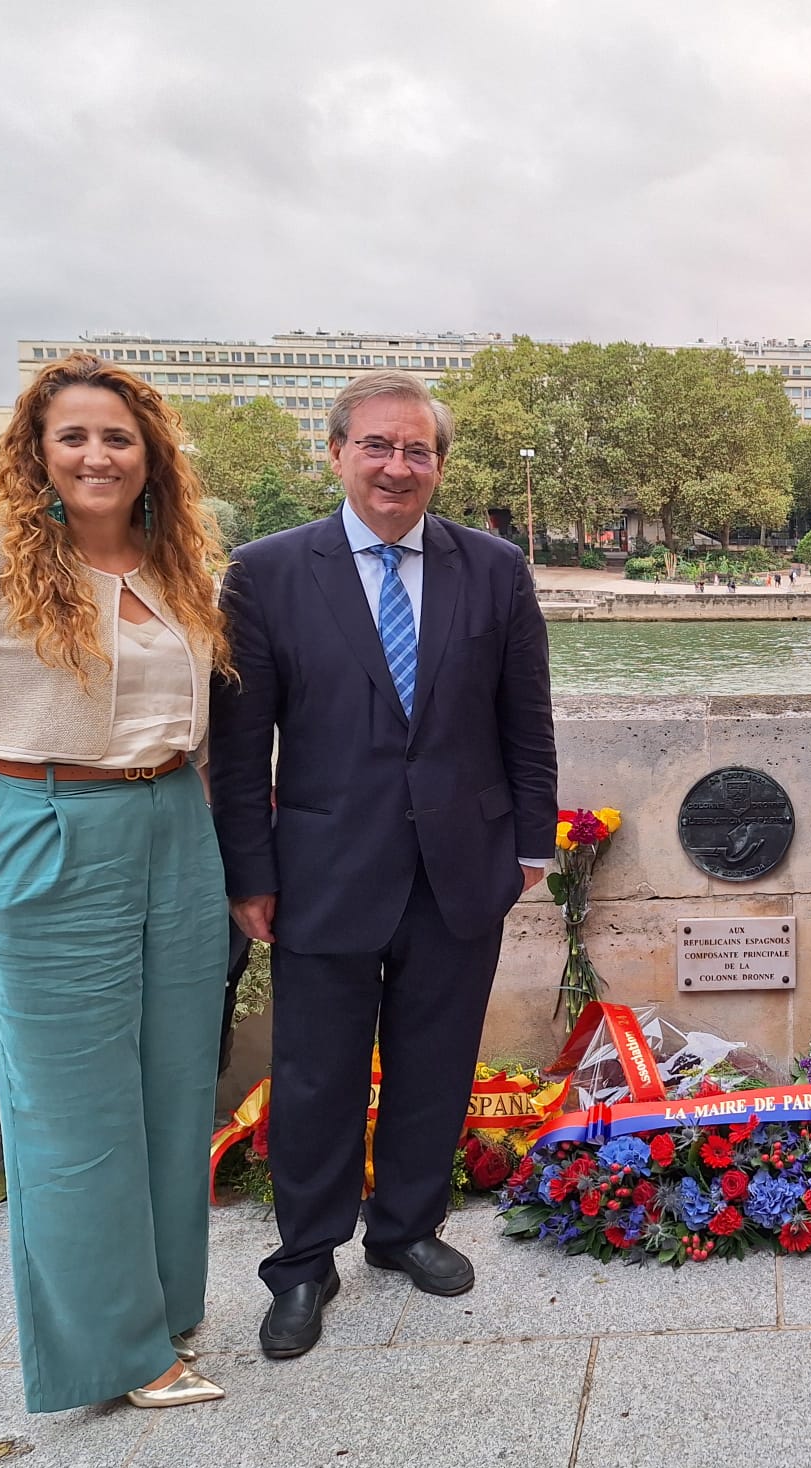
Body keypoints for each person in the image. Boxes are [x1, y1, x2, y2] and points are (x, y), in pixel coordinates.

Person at [0, 354, 232, 1411]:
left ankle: (167, 1304)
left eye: (118, 437)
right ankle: (115, 1354)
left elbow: (203, 724)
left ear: (150, 457)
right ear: (37, 451)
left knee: (177, 1088)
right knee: (73, 1111)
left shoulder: (177, 568)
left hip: (175, 826)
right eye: (75, 436)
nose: (98, 454)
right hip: (42, 824)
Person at [209, 371, 557, 1360]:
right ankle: (305, 1263)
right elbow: (241, 749)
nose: (397, 467)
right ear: (337, 454)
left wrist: (531, 844)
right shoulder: (267, 574)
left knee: (434, 1065)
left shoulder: (494, 569)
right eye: (377, 446)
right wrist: (249, 872)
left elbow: (524, 721)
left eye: (417, 451)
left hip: (461, 867)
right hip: (320, 870)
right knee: (315, 1075)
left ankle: (405, 1228)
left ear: (439, 465)